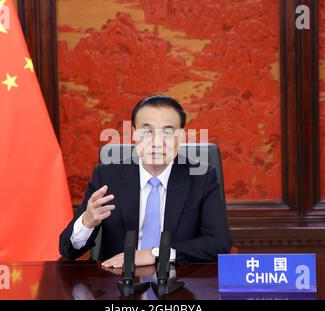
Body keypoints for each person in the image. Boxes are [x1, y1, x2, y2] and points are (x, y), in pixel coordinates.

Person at [59, 95, 232, 266]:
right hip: (118, 284)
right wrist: (87, 222)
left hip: (179, 283)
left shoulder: (202, 177)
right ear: (134, 134)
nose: (157, 142)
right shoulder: (106, 176)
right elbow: (68, 250)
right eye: (147, 132)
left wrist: (155, 254)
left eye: (168, 132)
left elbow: (219, 244)